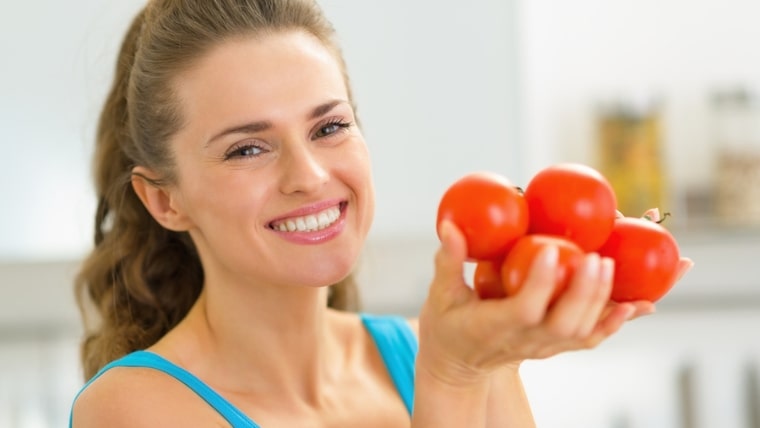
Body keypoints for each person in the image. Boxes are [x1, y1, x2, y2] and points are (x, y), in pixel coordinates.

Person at [68, 1, 693, 427]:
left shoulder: (436, 350)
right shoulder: (134, 409)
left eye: (330, 126)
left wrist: (477, 366)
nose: (310, 176)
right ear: (164, 200)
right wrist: (451, 381)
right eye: (247, 148)